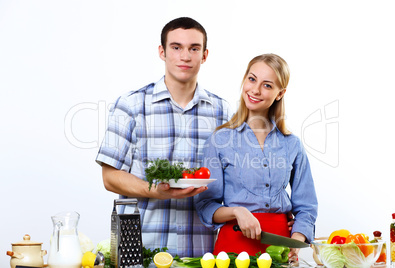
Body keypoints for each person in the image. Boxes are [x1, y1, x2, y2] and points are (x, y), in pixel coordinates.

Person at [95, 17, 232, 257]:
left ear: (205, 55)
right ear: (162, 52)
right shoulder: (131, 105)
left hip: (201, 252)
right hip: (140, 249)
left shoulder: (222, 112)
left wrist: (276, 217)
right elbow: (109, 177)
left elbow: (233, 182)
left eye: (194, 48)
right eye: (176, 47)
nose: (185, 56)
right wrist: (154, 191)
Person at [195, 53, 318, 258]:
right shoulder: (219, 140)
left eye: (267, 85)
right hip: (233, 247)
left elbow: (307, 206)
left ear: (280, 93)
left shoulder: (292, 144)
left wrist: (296, 241)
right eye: (252, 79)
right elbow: (206, 205)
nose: (255, 90)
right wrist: (237, 211)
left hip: (280, 249)